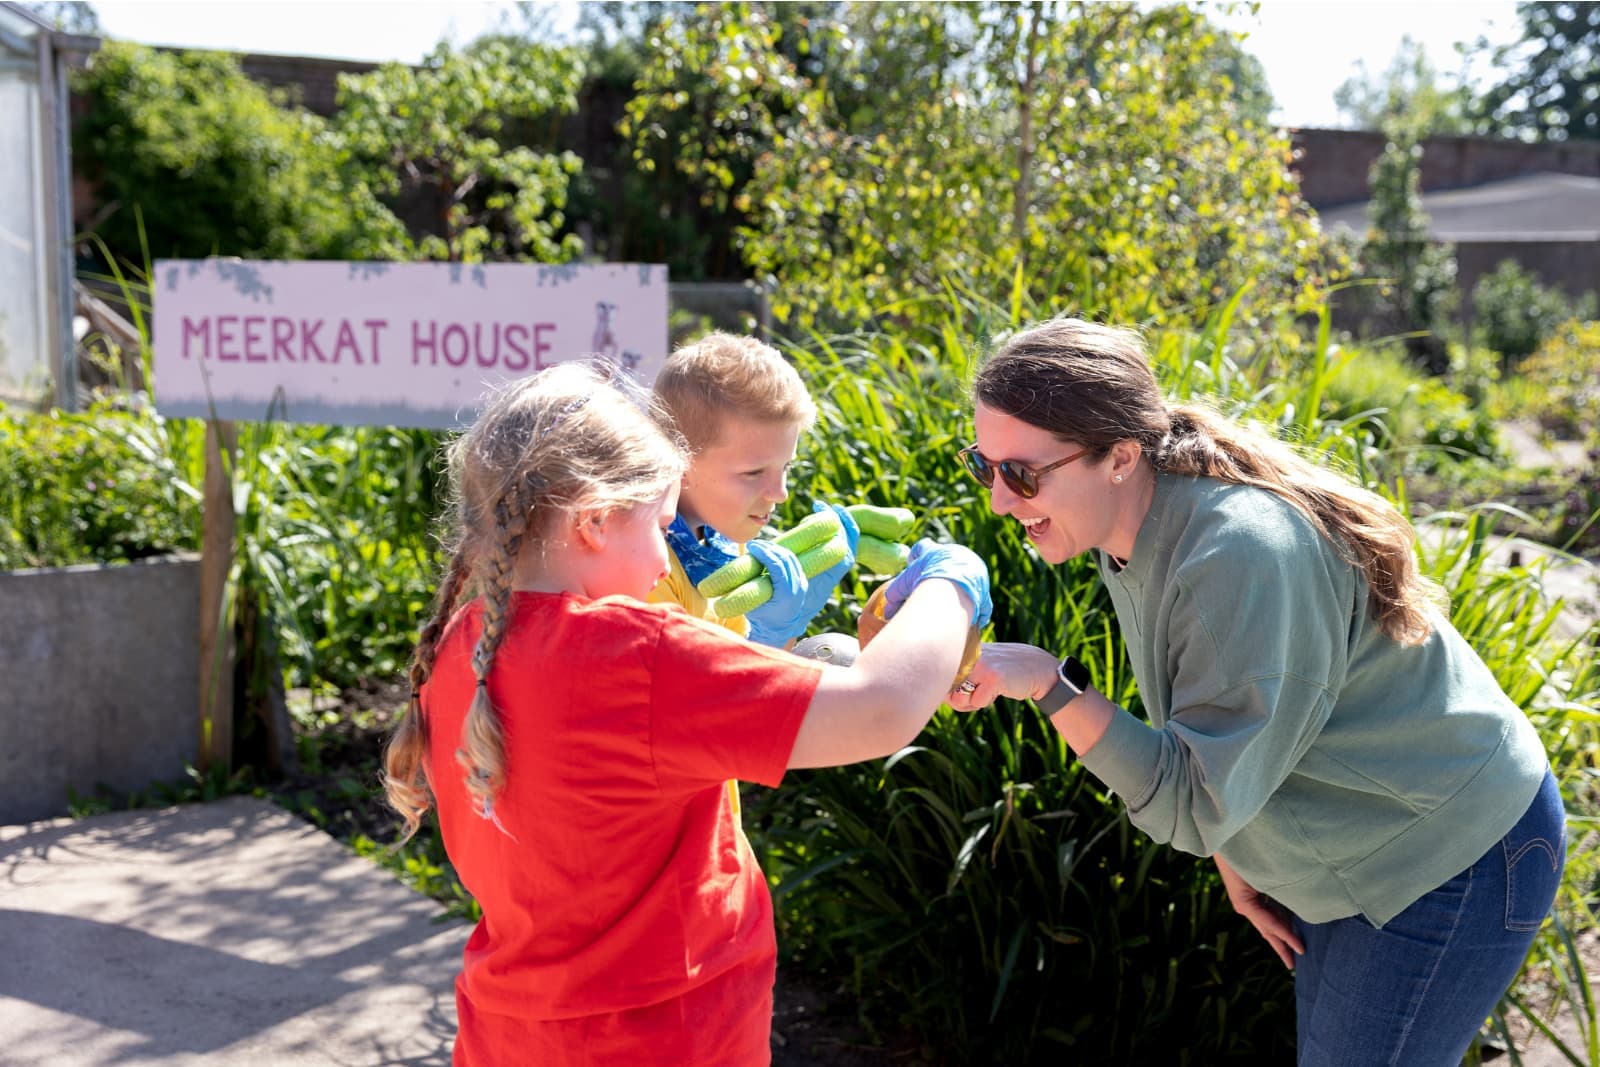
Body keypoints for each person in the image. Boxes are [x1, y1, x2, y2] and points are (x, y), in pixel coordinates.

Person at [950, 317, 1564, 1067]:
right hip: (1361, 845)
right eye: (984, 466)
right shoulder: (1135, 525)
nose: (1000, 503)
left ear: (1119, 455)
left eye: (1022, 475)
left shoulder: (1235, 552)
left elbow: (1191, 798)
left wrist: (1049, 682)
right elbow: (1218, 726)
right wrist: (1237, 857)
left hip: (1453, 849)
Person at [382, 360, 991, 1067]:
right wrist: (953, 583)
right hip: (668, 1036)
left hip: (506, 1035)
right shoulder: (641, 655)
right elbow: (882, 710)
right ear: (594, 520)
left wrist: (752, 646)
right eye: (663, 525)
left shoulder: (463, 645)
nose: (661, 564)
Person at [648, 331, 857, 649]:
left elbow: (765, 674)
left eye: (785, 467)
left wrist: (790, 623)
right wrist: (769, 637)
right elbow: (695, 696)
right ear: (680, 463)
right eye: (754, 472)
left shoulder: (724, 541)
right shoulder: (649, 568)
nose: (780, 493)